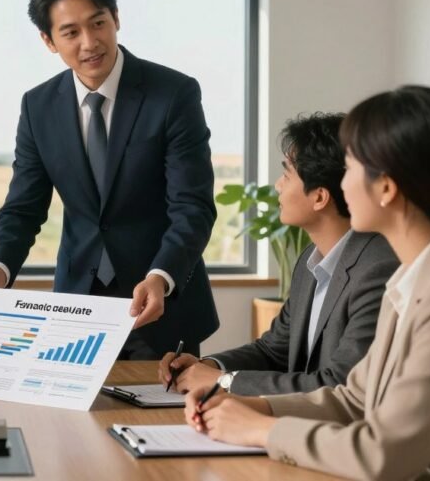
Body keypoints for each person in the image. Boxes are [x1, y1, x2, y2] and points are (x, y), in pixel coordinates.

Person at [184, 86, 430, 480]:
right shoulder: (413, 278)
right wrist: (260, 408)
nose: (341, 183)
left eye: (352, 167)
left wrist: (261, 430)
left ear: (386, 188)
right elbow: (354, 399)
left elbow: (383, 454)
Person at [0, 0, 218, 358]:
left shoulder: (173, 94)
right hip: (76, 307)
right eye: (71, 32)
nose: (89, 42)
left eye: (98, 23)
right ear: (49, 41)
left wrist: (161, 276)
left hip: (159, 305)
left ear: (116, 18)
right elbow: (23, 207)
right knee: (70, 420)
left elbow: (193, 207)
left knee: (159, 419)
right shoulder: (38, 106)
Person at [160, 113, 398, 395]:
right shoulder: (311, 259)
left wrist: (222, 382)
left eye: (287, 174)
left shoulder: (377, 268)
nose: (277, 185)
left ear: (319, 197)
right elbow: (275, 350)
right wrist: (209, 365)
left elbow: (339, 384)